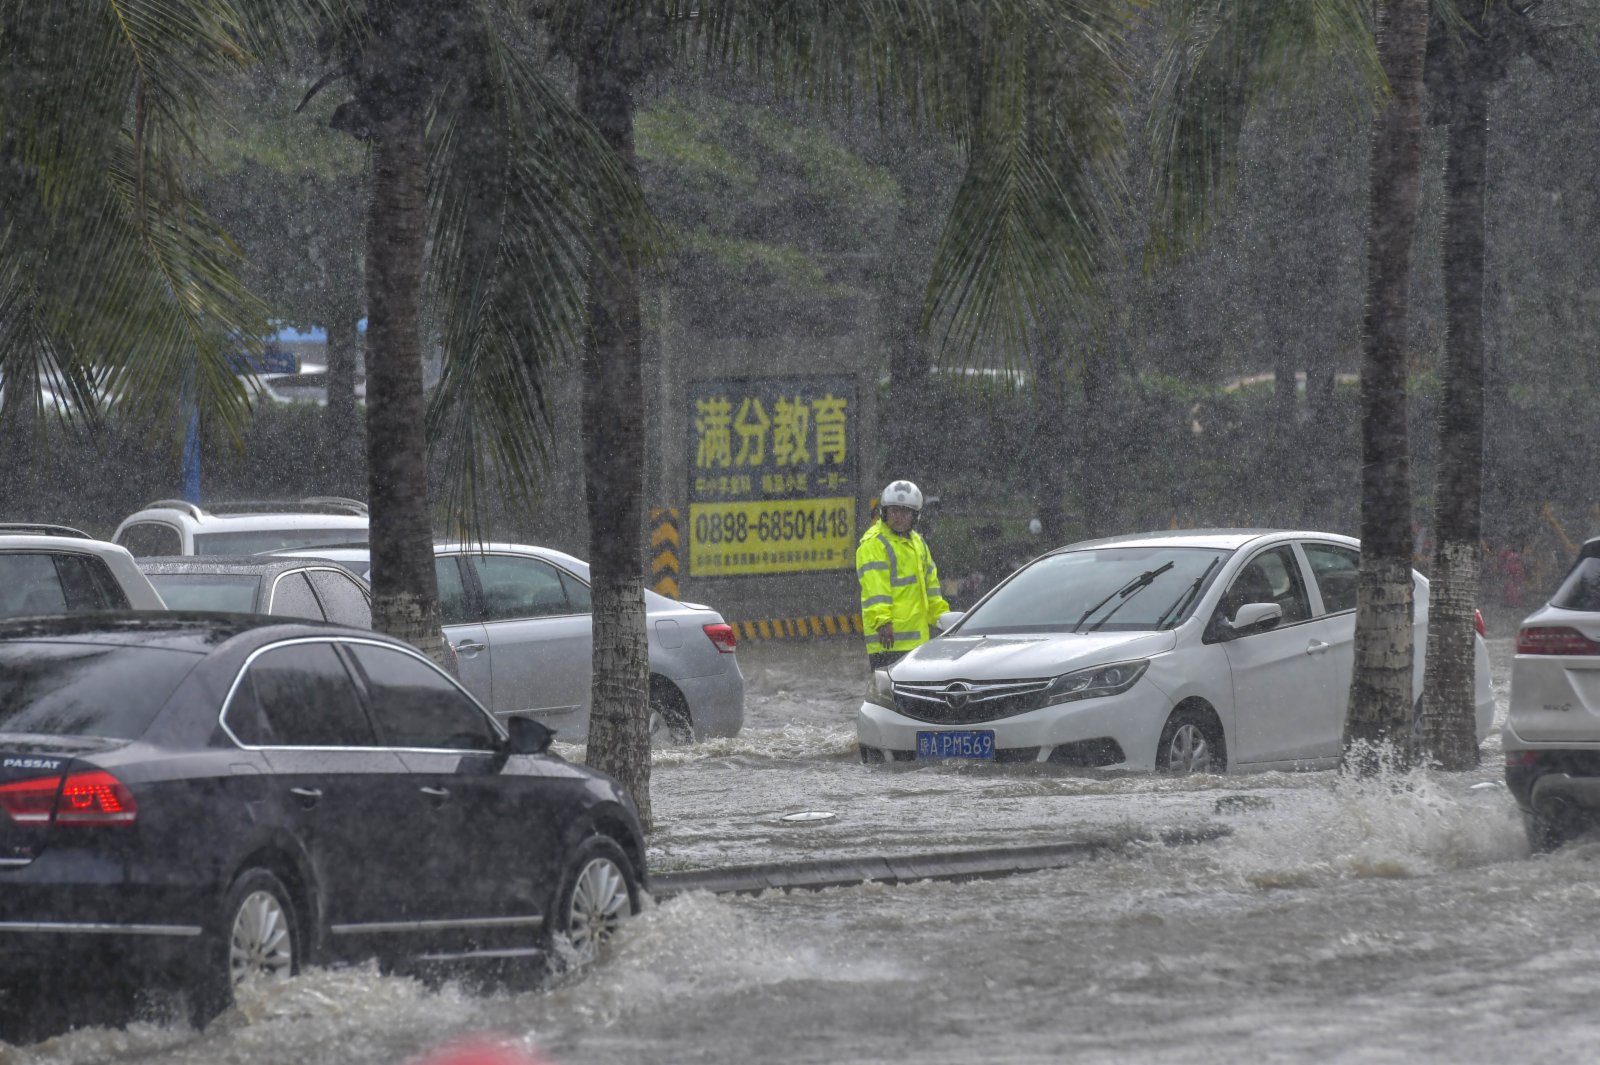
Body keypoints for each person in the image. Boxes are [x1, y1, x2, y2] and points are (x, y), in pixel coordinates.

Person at [857, 479, 950, 669]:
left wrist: (945, 620)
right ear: (885, 512)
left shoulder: (918, 543)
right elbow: (875, 589)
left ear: (915, 516)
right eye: (894, 511)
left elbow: (931, 589)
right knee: (888, 697)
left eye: (905, 512)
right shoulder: (875, 543)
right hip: (887, 642)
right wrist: (883, 621)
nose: (898, 517)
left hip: (917, 643)